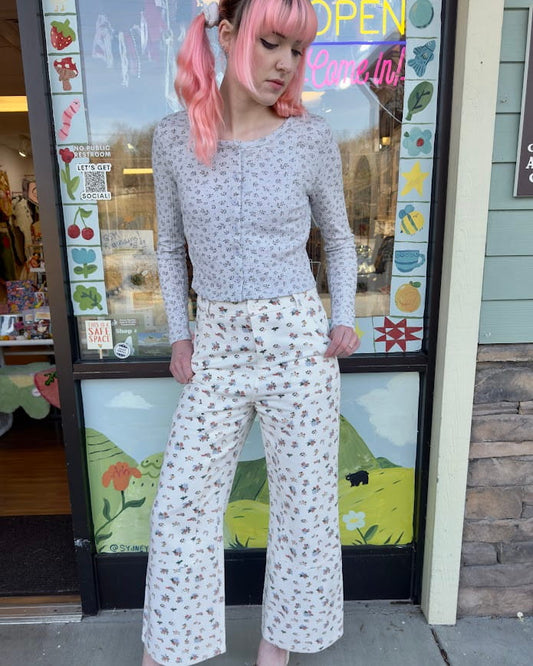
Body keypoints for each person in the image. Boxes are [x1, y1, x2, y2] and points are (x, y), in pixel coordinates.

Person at [142, 1, 360, 664]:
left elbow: (340, 240)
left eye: (296, 50)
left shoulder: (310, 138)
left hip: (298, 342)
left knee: (303, 506)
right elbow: (169, 246)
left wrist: (343, 317)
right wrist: (180, 335)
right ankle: (170, 647)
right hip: (216, 344)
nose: (285, 64)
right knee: (181, 502)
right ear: (228, 33)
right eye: (272, 43)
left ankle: (278, 648)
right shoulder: (173, 138)